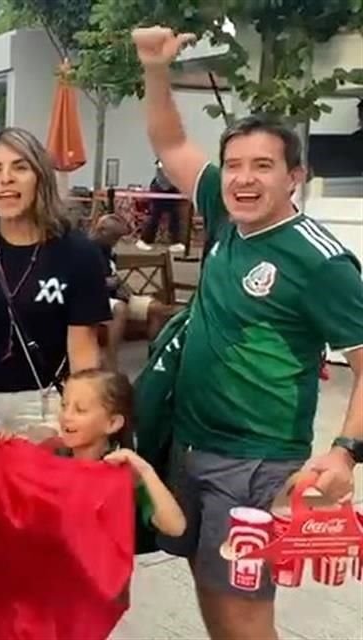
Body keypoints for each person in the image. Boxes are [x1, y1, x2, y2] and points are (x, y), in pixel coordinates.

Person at [133, 26, 363, 640]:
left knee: (244, 616)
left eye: (263, 165)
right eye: (234, 164)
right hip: (192, 443)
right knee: (211, 595)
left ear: (296, 176)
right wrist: (156, 68)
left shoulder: (321, 261)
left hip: (257, 461)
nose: (243, 178)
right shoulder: (227, 214)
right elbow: (171, 139)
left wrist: (345, 452)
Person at [0, 127, 110, 441]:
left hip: (44, 404)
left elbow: (84, 352)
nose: (6, 178)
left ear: (40, 178)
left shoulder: (78, 253)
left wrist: (76, 421)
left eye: (20, 167)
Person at [53, 369, 186, 537]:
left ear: (113, 423)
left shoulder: (123, 474)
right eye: (64, 406)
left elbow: (175, 527)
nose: (66, 416)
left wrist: (145, 471)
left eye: (80, 410)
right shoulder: (52, 457)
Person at [89, 214, 177, 367]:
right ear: (102, 231)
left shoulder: (108, 249)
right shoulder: (86, 250)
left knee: (156, 308)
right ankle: (110, 358)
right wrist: (107, 283)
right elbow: (84, 280)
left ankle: (154, 357)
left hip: (117, 295)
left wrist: (123, 288)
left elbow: (114, 275)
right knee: (120, 310)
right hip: (97, 298)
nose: (116, 242)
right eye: (114, 237)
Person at [136, 160, 184, 253]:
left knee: (175, 217)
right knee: (154, 217)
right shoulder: (162, 163)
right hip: (161, 189)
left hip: (171, 189)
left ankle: (176, 241)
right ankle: (144, 240)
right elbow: (164, 180)